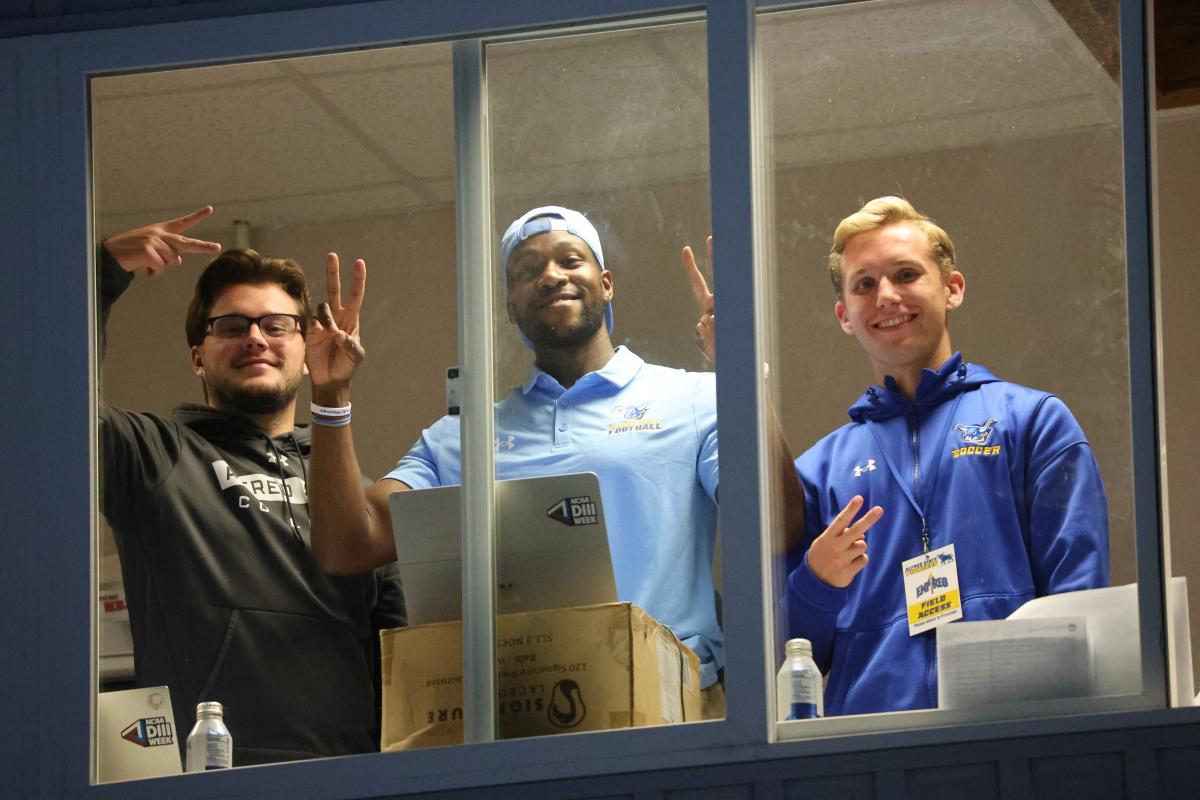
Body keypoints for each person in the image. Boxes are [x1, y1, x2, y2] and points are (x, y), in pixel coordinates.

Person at [306, 205, 804, 707]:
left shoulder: (695, 399)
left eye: (570, 260)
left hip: (671, 706)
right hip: (511, 719)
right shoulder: (461, 439)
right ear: (510, 304)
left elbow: (777, 525)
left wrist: (741, 375)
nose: (550, 276)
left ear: (605, 283)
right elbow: (348, 546)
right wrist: (330, 397)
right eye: (527, 270)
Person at [99, 206, 406, 765]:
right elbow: (46, 393)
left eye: (277, 325)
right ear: (199, 356)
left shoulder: (350, 491)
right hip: (207, 775)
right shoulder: (149, 456)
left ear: (306, 352)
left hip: (348, 777)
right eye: (232, 327)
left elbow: (403, 656)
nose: (256, 339)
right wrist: (103, 271)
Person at [786, 196, 1109, 716]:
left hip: (1015, 726)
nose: (886, 296)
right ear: (845, 316)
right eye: (864, 284)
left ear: (952, 288)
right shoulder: (817, 472)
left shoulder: (1033, 423)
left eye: (906, 273)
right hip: (871, 747)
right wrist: (817, 584)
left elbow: (1080, 602)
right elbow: (791, 654)